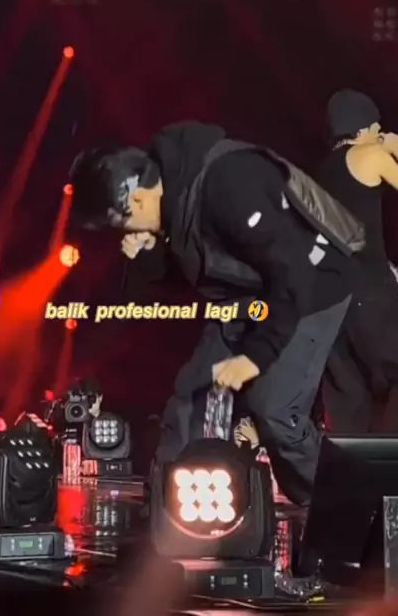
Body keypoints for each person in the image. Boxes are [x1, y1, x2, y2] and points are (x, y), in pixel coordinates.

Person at [69, 122, 361, 506]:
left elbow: (291, 274)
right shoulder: (174, 199)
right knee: (191, 394)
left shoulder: (229, 183)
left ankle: (349, 506)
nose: (120, 231)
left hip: (312, 288)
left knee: (274, 410)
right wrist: (148, 253)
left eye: (117, 223)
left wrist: (256, 357)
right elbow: (193, 276)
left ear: (136, 201)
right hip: (246, 298)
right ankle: (168, 508)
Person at [317, 89, 398, 432]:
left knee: (349, 395)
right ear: (364, 128)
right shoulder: (369, 154)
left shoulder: (323, 170)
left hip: (330, 297)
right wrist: (393, 148)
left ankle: (351, 462)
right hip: (370, 290)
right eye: (378, 128)